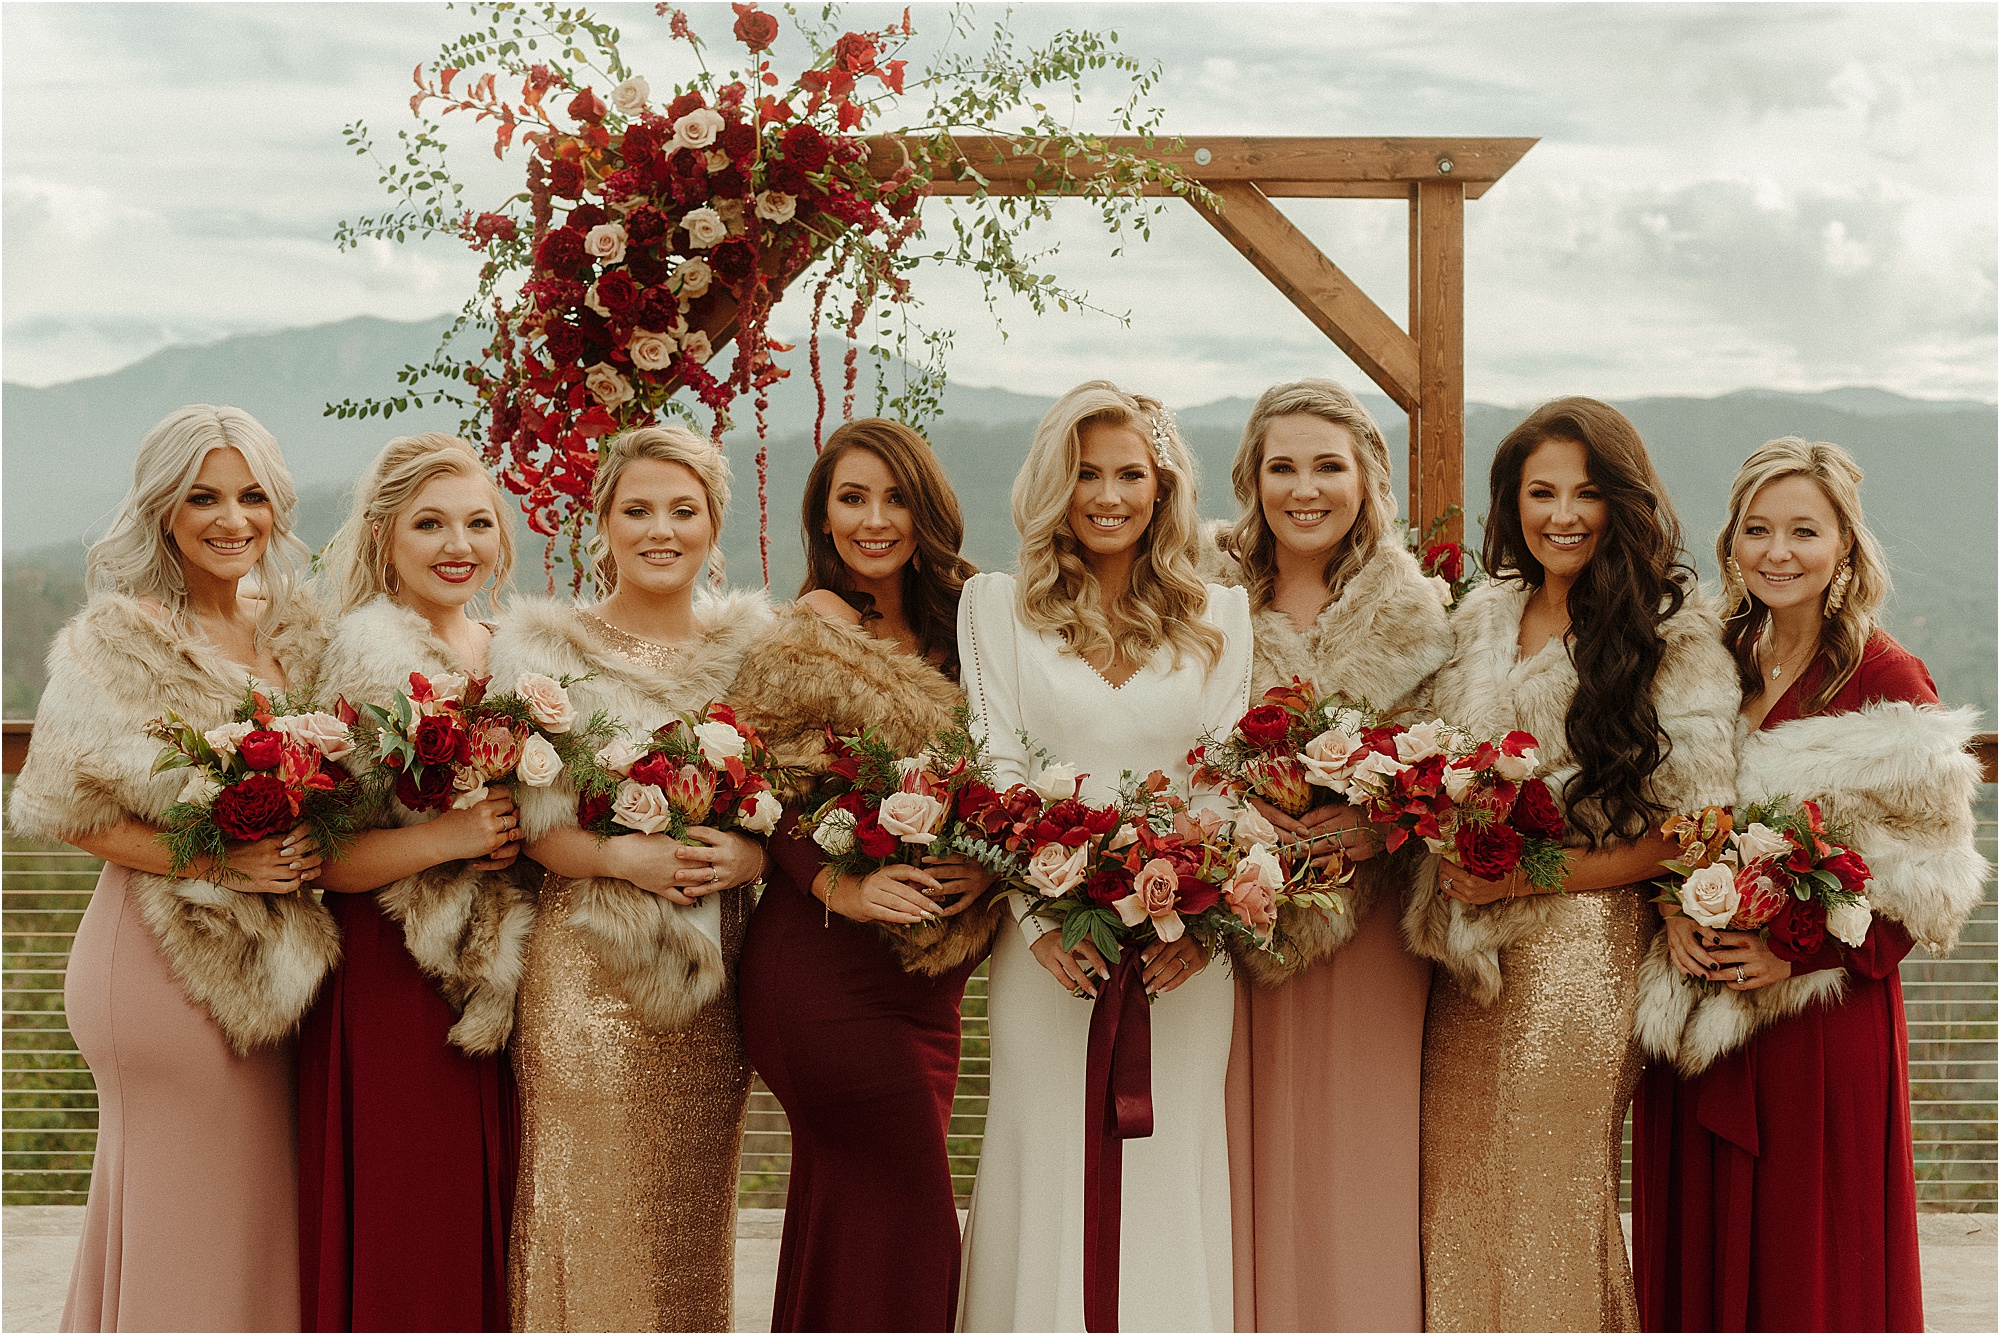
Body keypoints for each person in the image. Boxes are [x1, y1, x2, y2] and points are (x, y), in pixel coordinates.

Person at [1630, 437, 1987, 1332]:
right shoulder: (1707, 660)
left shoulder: (1885, 678)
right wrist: (1672, 907)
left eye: (1804, 530)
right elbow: (1658, 818)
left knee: (1808, 1264)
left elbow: (1929, 884)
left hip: (1815, 1029)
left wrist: (1794, 954)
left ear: (1845, 548)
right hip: (1697, 1013)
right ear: (1732, 542)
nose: (1777, 551)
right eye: (1758, 529)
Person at [1401, 398, 1739, 1331]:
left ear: (1622, 502)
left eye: (1586, 492)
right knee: (1459, 1190)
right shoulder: (1483, 616)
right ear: (1511, 503)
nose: (1562, 514)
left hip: (1581, 955)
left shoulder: (1673, 631)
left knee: (1550, 1194)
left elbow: (1686, 827)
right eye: (1540, 491)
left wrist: (1524, 877)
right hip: (1464, 959)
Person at [11, 405, 333, 1331]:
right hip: (161, 964)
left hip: (271, 967)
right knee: (188, 1224)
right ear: (162, 511)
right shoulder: (123, 638)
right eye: (203, 497)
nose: (233, 519)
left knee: (240, 1221)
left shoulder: (295, 632)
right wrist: (226, 865)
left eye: (252, 496)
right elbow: (70, 810)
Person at [956, 380, 1254, 1331]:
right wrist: (1041, 919)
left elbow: (1226, 785)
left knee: (1169, 1164)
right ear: (1055, 482)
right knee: (1043, 1158)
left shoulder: (1223, 615)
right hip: (1048, 953)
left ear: (1163, 486)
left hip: (1182, 963)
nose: (1109, 494)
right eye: (1086, 472)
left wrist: (1200, 930)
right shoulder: (996, 608)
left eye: (1131, 473)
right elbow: (995, 767)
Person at [489, 425, 771, 1330]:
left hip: (712, 981)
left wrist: (754, 853)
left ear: (712, 524)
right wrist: (618, 853)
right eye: (637, 509)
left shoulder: (755, 654)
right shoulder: (545, 651)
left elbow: (792, 803)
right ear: (601, 523)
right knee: (590, 1212)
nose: (661, 529)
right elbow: (528, 827)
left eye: (683, 511)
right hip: (585, 977)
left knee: (690, 1224)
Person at [730, 418, 1004, 1330]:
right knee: (916, 1215)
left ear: (929, 509)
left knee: (850, 1211)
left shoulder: (971, 625)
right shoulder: (808, 634)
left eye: (894, 496)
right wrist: (843, 887)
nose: (875, 519)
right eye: (852, 497)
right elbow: (758, 789)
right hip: (821, 970)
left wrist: (989, 864)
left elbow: (1012, 780)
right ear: (823, 515)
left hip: (928, 980)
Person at [1201, 380, 1452, 1332]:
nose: (1304, 489)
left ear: (1368, 478)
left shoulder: (1421, 616)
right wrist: (1241, 817)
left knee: (1359, 1148)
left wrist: (1375, 823)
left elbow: (1450, 769)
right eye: (1283, 467)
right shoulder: (1204, 601)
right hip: (1231, 916)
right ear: (1252, 480)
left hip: (1368, 924)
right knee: (1232, 1143)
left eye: (1328, 466)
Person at [297, 433, 528, 1330]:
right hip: (396, 976)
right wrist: (448, 836)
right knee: (413, 1220)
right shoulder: (365, 659)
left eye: (477, 522)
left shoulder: (515, 651)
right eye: (429, 523)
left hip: (514, 975)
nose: (456, 544)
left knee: (501, 1210)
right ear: (386, 538)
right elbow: (326, 858)